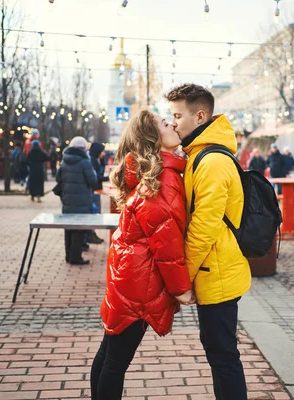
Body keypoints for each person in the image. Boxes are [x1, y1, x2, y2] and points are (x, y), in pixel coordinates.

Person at [91, 110, 194, 400]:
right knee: (115, 361)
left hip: (128, 276)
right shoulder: (162, 180)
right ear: (153, 139)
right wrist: (181, 290)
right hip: (139, 282)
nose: (172, 124)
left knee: (109, 354)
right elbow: (168, 246)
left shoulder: (153, 176)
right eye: (165, 123)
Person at [166, 83, 250, 400]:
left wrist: (181, 279)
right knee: (219, 351)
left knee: (223, 355)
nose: (173, 122)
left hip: (217, 272)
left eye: (177, 115)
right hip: (213, 270)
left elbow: (204, 227)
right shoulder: (200, 155)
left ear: (200, 116)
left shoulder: (212, 161)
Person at [56, 136, 98, 265]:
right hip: (82, 200)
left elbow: (58, 179)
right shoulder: (85, 162)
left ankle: (68, 255)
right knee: (79, 229)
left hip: (67, 200)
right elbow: (92, 181)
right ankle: (76, 257)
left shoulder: (64, 161)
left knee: (68, 228)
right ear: (84, 148)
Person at [87, 142, 110, 245]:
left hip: (96, 189)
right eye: (102, 151)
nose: (103, 153)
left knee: (96, 212)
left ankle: (92, 233)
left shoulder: (96, 159)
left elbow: (101, 171)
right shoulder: (91, 160)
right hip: (93, 190)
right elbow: (96, 176)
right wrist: (108, 178)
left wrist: (102, 161)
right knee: (94, 212)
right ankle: (90, 234)